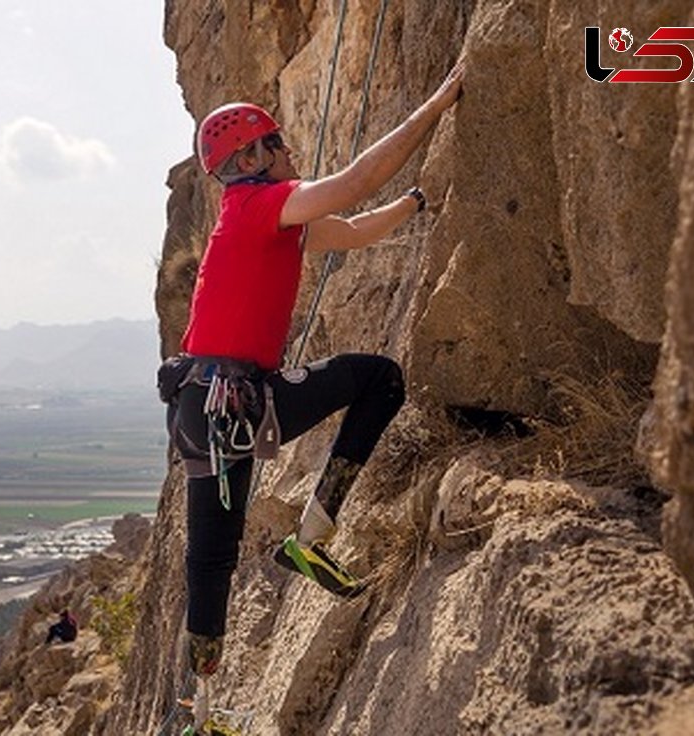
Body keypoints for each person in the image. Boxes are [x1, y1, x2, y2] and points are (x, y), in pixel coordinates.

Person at [159, 61, 465, 679]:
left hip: (205, 406)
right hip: (233, 399)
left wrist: (417, 200)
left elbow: (351, 229)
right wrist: (438, 103)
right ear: (249, 160)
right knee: (379, 378)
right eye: (276, 142)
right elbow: (353, 183)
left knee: (210, 561)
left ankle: (197, 708)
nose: (289, 147)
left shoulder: (261, 220)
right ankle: (312, 535)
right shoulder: (256, 205)